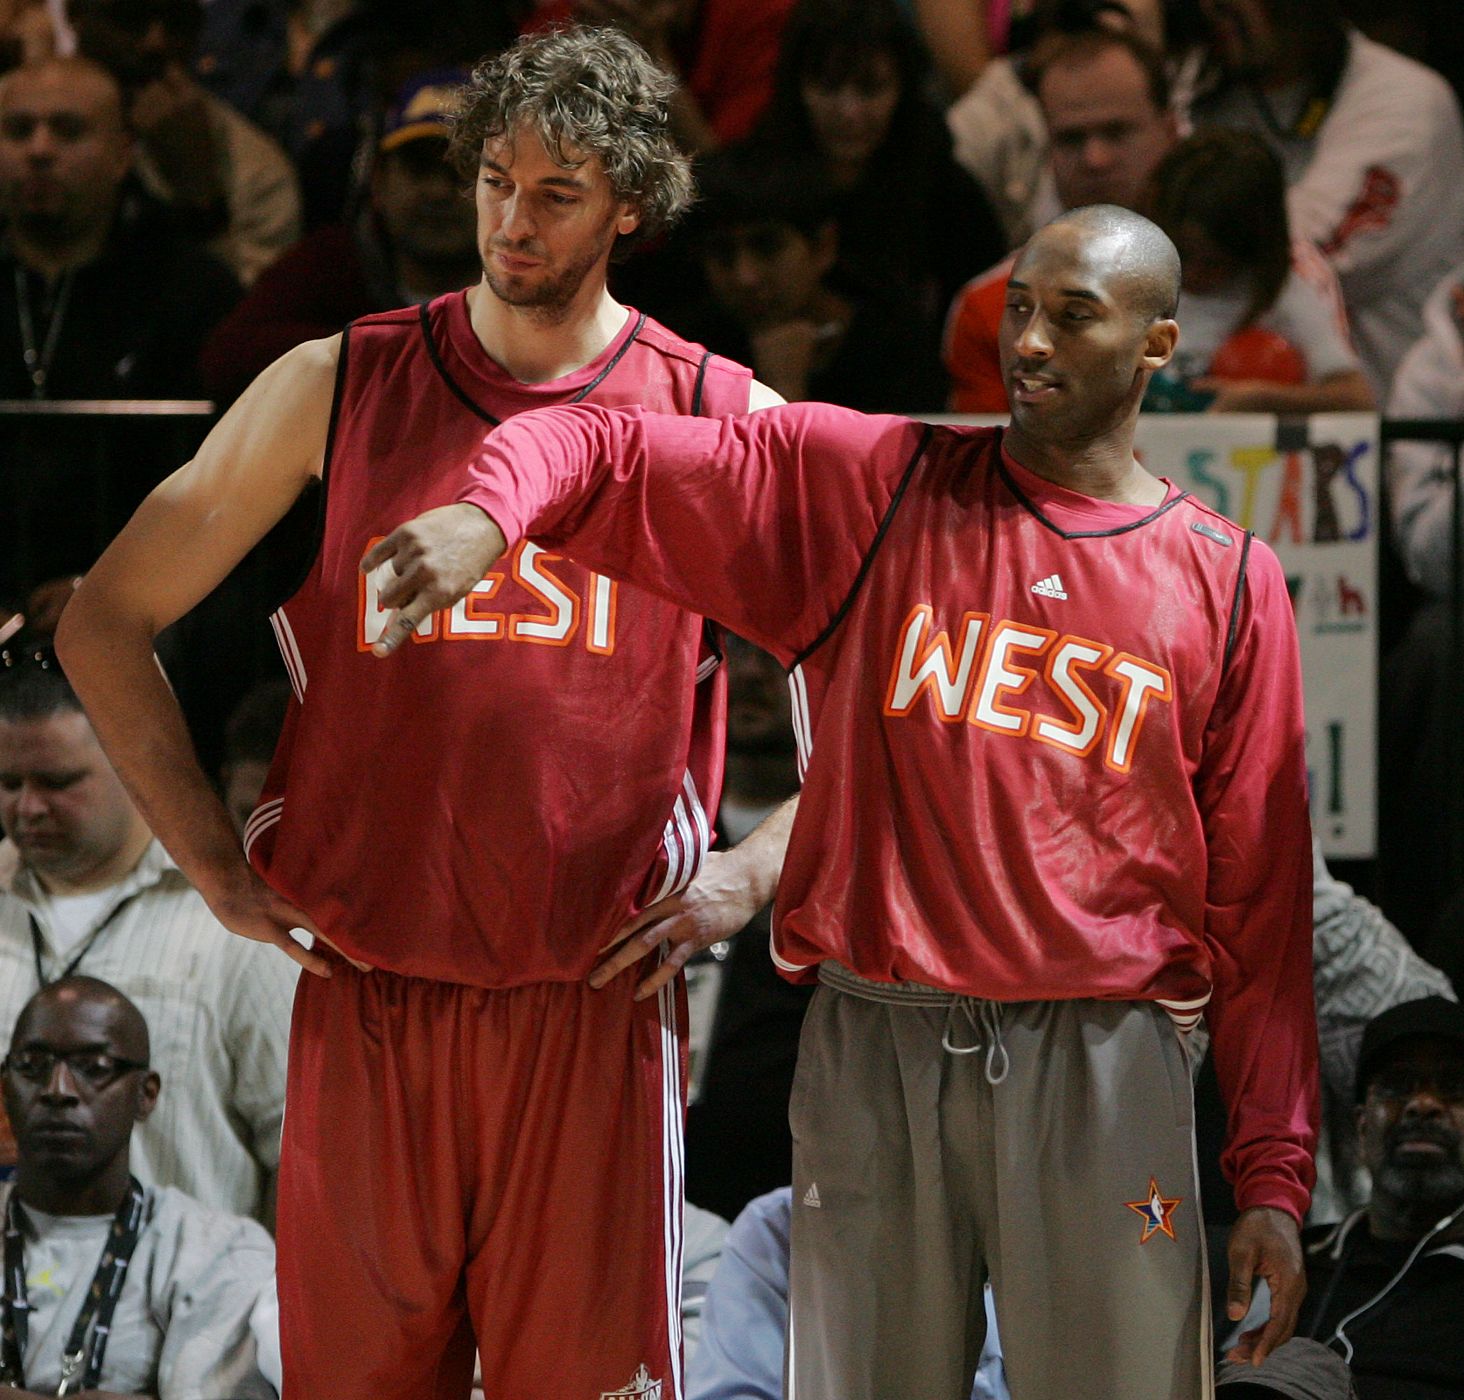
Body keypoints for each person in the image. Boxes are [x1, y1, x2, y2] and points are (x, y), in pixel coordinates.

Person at [362, 203, 1317, 1400]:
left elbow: (1266, 911)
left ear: (1157, 345)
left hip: (1104, 1058)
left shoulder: (1229, 578)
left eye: (1074, 317)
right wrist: (488, 513)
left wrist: (1274, 1173)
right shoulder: (878, 483)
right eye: (1020, 308)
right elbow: (599, 442)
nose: (1029, 342)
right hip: (877, 1035)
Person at [56, 26, 792, 1398]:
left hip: (590, 1007)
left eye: (556, 192)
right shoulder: (338, 382)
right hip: (370, 991)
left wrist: (755, 869)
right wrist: (210, 863)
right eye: (495, 181)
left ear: (631, 203)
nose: (513, 219)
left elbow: (883, 684)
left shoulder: (715, 408)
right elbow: (102, 620)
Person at [0, 646, 295, 1221]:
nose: (28, 807)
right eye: (9, 782)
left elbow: (302, 1153)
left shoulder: (235, 924)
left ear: (133, 767)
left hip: (183, 1305)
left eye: (58, 782)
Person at [0, 54, 240, 601]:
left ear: (122, 154)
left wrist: (110, 587)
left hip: (139, 611)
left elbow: (218, 487)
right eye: (18, 131)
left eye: (68, 131)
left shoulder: (190, 289)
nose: (39, 150)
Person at [0, 975, 276, 1397]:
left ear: (146, 1095)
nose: (58, 1090)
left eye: (95, 1068)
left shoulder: (219, 1252)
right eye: (33, 1066)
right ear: (5, 1087)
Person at [1192, 0, 1464, 397]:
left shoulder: (1407, 102)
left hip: (1383, 437)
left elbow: (1288, 255)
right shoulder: (1200, 94)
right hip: (1209, 434)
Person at [1229, 997, 1464, 1396]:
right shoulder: (1288, 1258)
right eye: (1397, 1086)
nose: (1422, 1105)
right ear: (1360, 1128)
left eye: (1454, 1087)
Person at [200, 69, 481, 402]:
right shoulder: (334, 261)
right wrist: (395, 349)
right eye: (419, 169)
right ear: (378, 181)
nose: (437, 191)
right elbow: (226, 360)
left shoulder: (530, 282)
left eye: (462, 171)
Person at [944, 25, 1176, 412]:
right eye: (1071, 139)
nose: (1094, 159)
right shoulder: (991, 309)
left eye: (1116, 132)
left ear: (1169, 130)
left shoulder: (1263, 277)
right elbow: (984, 467)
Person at [750, 0, 1006, 344]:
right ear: (797, 87)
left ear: (902, 89)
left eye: (870, 88)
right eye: (828, 86)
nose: (849, 112)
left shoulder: (942, 186)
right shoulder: (759, 183)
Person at [679, 144, 946, 412]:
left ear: (823, 246)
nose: (746, 276)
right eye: (722, 253)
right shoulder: (687, 350)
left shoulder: (895, 346)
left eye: (767, 248)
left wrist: (786, 387)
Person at [70, 0, 302, 286]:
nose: (156, 43)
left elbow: (251, 314)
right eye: (131, 17)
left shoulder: (257, 170)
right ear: (75, 13)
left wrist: (203, 199)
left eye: (177, 22)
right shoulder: (23, 129)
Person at [1141, 128, 1372, 414]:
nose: (1192, 273)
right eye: (1179, 253)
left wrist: (1265, 398)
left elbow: (1357, 399)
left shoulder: (1285, 296)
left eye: (1214, 263)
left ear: (1254, 253)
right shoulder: (1130, 279)